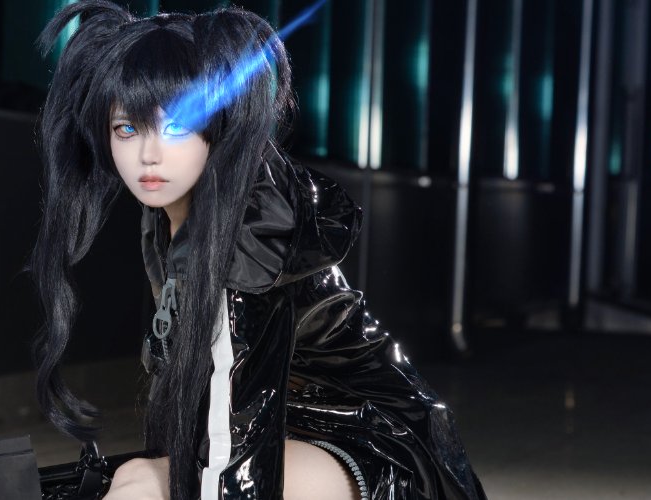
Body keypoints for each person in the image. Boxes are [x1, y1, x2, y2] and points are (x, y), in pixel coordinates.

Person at [26, 1, 487, 499]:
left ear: (220, 125)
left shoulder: (252, 240)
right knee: (136, 478)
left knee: (145, 489)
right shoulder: (170, 214)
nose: (148, 154)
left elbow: (239, 439)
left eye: (177, 126)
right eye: (127, 129)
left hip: (379, 443)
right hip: (297, 427)